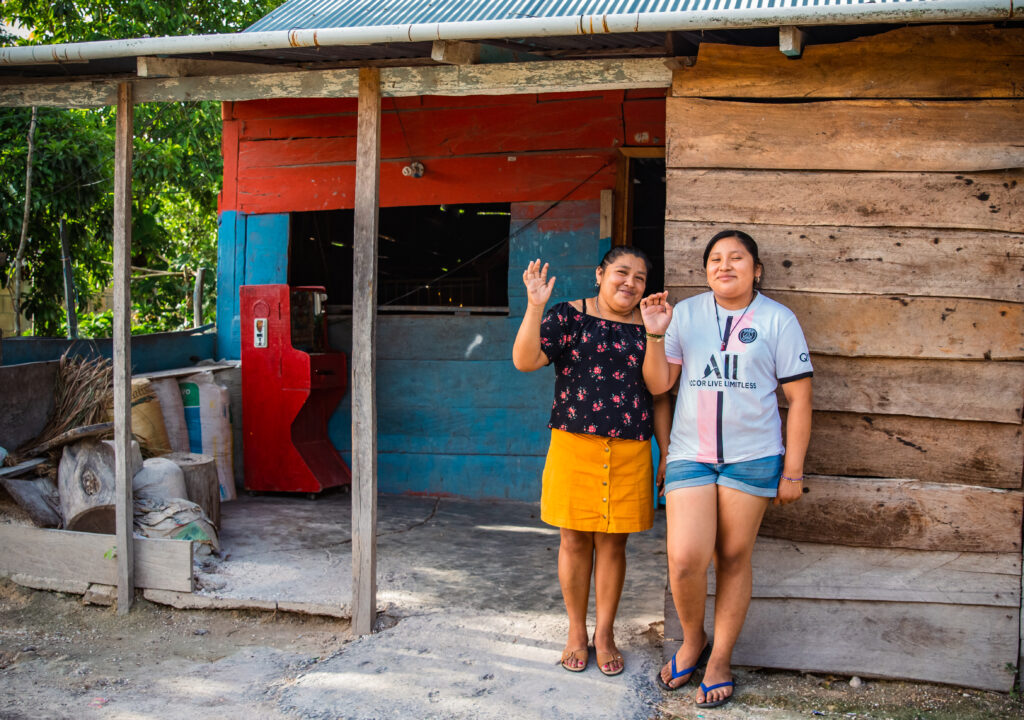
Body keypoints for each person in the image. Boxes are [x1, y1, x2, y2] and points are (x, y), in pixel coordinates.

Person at [640, 230, 813, 708]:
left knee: (734, 558)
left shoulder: (779, 319)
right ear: (705, 270)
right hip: (690, 453)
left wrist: (792, 471)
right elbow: (659, 384)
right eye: (715, 259)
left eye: (737, 258)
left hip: (754, 457)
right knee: (685, 559)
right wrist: (655, 332)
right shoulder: (687, 314)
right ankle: (693, 641)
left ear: (756, 269)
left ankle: (720, 660)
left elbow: (799, 400)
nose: (725, 265)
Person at [512, 246, 661, 676]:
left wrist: (666, 451)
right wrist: (534, 307)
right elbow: (525, 361)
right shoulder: (567, 315)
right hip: (574, 445)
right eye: (620, 272)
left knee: (614, 544)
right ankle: (577, 631)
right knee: (574, 540)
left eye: (639, 277)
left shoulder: (651, 327)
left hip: (630, 449)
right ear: (600, 274)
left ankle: (606, 633)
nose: (629, 283)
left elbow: (659, 391)